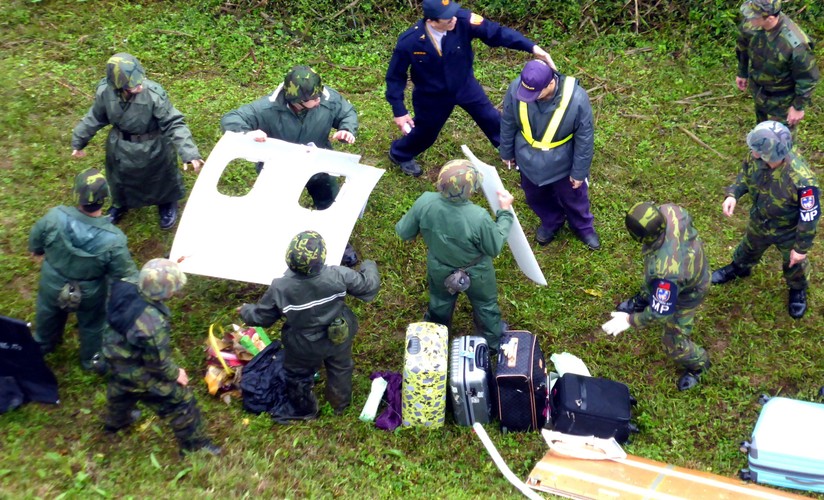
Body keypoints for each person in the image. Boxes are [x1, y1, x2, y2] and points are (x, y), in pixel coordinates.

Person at [385, 0, 555, 177]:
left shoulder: (463, 20)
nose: (454, 20)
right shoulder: (410, 41)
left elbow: (497, 33)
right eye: (447, 19)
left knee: (490, 118)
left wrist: (533, 48)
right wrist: (399, 110)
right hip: (431, 95)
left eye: (453, 14)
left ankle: (512, 152)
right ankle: (399, 154)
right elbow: (395, 77)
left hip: (465, 85)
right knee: (425, 132)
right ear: (431, 21)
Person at [220, 65, 360, 265]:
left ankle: (335, 239)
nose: (319, 100)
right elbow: (231, 119)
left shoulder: (326, 99)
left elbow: (347, 112)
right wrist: (247, 133)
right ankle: (277, 242)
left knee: (329, 201)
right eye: (313, 99)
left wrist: (347, 129)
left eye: (319, 95)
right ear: (297, 101)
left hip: (318, 163)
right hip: (280, 167)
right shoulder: (267, 109)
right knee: (274, 208)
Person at [238, 231, 380, 421]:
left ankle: (305, 410)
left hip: (302, 344)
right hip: (338, 335)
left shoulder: (280, 287)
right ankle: (339, 405)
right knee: (340, 367)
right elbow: (368, 286)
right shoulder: (338, 275)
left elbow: (263, 317)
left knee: (296, 374)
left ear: (289, 258)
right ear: (322, 257)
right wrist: (369, 265)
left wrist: (245, 311)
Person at [71, 53, 204, 229]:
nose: (139, 86)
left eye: (140, 80)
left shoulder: (153, 94)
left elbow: (173, 122)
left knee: (161, 178)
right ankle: (120, 204)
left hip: (154, 146)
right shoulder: (105, 92)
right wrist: (78, 140)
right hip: (121, 147)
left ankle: (166, 204)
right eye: (133, 84)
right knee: (120, 179)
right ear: (118, 86)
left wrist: (189, 152)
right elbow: (95, 117)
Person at [103, 259, 220, 456]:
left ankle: (116, 421)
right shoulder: (151, 323)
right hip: (135, 369)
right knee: (182, 401)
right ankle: (195, 447)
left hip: (113, 354)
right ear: (163, 292)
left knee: (120, 386)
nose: (175, 292)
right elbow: (157, 364)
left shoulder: (124, 284)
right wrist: (176, 374)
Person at [395, 160, 514, 352]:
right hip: (477, 272)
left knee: (439, 303)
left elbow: (404, 232)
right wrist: (505, 213)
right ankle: (491, 343)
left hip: (439, 267)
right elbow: (494, 247)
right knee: (485, 306)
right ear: (468, 190)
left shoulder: (425, 201)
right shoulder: (478, 216)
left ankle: (435, 341)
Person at [29, 168, 137, 372]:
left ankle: (43, 344)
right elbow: (126, 274)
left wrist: (37, 250)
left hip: (52, 281)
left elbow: (36, 237)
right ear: (105, 199)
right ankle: (91, 360)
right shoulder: (113, 239)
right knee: (93, 324)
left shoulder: (54, 216)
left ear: (76, 194)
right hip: (90, 292)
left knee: (47, 312)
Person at [711, 120, 819, 318]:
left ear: (770, 154)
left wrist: (800, 248)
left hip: (788, 231)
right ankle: (739, 269)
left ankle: (797, 289)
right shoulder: (757, 154)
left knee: (793, 264)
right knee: (748, 248)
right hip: (760, 220)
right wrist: (733, 194)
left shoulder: (802, 181)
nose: (752, 153)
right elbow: (745, 174)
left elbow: (809, 217)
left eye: (757, 150)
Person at [603, 202, 711, 391]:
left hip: (690, 290)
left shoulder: (666, 273)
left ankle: (699, 365)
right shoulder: (671, 210)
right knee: (652, 285)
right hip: (692, 262)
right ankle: (644, 298)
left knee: (672, 342)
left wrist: (631, 320)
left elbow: (660, 312)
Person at [500, 60, 598, 250]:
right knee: (535, 196)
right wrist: (506, 151)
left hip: (563, 163)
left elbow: (585, 138)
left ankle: (583, 227)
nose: (530, 98)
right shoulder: (516, 89)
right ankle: (552, 221)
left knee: (574, 198)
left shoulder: (577, 99)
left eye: (536, 93)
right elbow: (508, 121)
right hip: (528, 159)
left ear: (551, 84)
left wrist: (579, 172)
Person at [735, 0, 819, 128]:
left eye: (753, 16)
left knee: (781, 140)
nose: (748, 18)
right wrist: (742, 72)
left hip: (782, 101)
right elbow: (742, 47)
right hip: (759, 91)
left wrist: (798, 107)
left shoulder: (795, 43)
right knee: (762, 132)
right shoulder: (751, 24)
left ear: (769, 18)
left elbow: (807, 78)